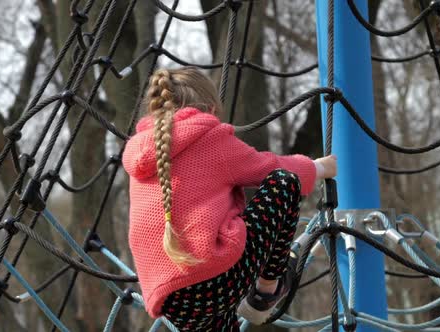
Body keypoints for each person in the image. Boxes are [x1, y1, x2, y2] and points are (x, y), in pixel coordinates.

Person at [122, 67, 337, 331]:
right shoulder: (209, 137)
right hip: (216, 279)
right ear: (211, 108)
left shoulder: (139, 152)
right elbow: (272, 167)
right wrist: (318, 168)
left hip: (170, 300)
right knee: (285, 182)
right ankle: (265, 292)